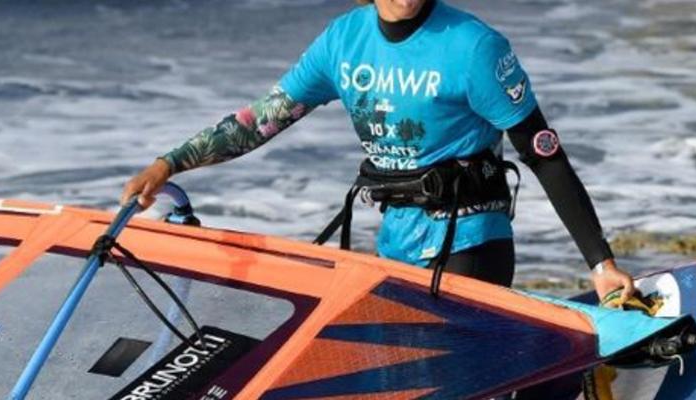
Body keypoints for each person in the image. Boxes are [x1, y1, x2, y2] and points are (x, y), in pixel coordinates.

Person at [121, 0, 634, 306]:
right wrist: (170, 163)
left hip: (471, 235)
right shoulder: (343, 41)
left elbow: (543, 154)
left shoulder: (474, 47)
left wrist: (600, 264)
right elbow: (261, 120)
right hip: (397, 240)